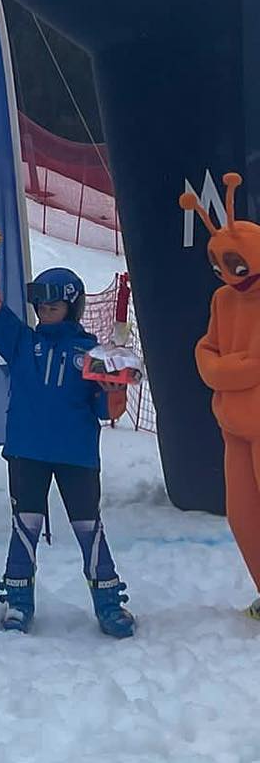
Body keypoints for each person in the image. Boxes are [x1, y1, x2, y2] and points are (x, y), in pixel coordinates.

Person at [0, 245, 134, 637]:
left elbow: (105, 411)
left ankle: (109, 604)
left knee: (87, 527)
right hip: (27, 452)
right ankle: (18, 600)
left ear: (72, 306)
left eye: (53, 304)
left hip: (76, 455)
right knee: (24, 525)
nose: (45, 310)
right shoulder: (22, 343)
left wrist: (114, 391)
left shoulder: (91, 352)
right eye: (40, 304)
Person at [182, 173, 260, 618]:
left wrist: (222, 370)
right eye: (219, 267)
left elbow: (250, 366)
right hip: (233, 425)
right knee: (242, 515)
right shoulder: (223, 301)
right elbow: (208, 352)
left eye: (237, 265)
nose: (229, 277)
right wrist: (223, 368)